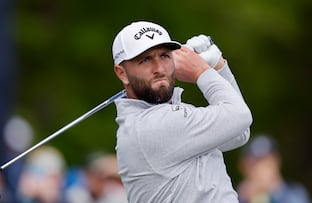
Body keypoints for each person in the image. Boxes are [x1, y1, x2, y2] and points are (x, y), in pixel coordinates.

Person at [111, 21, 253, 202]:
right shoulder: (149, 126)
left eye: (164, 56)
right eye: (145, 60)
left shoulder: (173, 114)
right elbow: (239, 116)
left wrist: (218, 67)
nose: (160, 68)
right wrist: (202, 71)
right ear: (122, 73)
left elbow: (238, 133)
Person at [237, 135, 310, 203]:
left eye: (265, 164)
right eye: (253, 165)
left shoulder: (296, 194)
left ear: (276, 162)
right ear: (243, 167)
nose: (259, 170)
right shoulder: (237, 195)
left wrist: (273, 192)